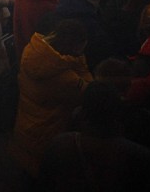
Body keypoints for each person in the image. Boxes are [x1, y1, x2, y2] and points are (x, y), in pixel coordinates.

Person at [11, 19, 93, 177]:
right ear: (74, 47)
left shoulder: (32, 51)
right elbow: (89, 93)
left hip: (25, 133)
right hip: (47, 140)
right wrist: (80, 61)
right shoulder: (65, 78)